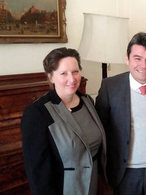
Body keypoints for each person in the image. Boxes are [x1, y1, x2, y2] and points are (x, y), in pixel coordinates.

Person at [95, 32, 146, 195]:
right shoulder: (110, 87)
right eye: (137, 58)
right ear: (127, 59)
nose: (143, 65)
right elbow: (100, 130)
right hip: (125, 173)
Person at [21, 47, 107, 195]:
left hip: (94, 184)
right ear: (51, 77)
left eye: (75, 71)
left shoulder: (87, 101)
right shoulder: (36, 113)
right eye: (63, 73)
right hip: (64, 188)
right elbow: (38, 173)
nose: (72, 79)